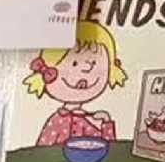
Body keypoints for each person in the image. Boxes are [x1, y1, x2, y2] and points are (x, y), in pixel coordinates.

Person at [22, 20, 127, 148]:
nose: (86, 70)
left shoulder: (88, 121)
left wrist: (106, 122)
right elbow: (40, 151)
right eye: (74, 64)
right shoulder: (57, 122)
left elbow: (107, 147)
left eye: (93, 64)